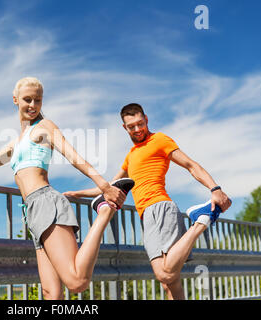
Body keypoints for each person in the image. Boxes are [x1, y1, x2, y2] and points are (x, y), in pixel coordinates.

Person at [0, 77, 133, 299]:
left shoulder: (44, 127)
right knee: (50, 293)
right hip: (32, 212)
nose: (33, 105)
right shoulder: (16, 143)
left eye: (38, 100)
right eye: (27, 99)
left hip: (46, 202)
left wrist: (103, 185)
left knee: (76, 282)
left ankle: (104, 210)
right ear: (15, 100)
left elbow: (73, 156)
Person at [64, 103, 232, 300]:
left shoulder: (159, 139)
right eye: (131, 126)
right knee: (170, 282)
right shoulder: (131, 155)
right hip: (148, 214)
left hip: (159, 207)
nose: (137, 129)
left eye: (140, 123)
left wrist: (215, 188)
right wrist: (76, 194)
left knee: (164, 273)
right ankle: (200, 220)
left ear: (146, 119)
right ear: (124, 128)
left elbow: (190, 164)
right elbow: (110, 187)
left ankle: (201, 221)